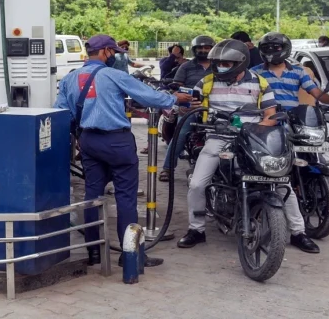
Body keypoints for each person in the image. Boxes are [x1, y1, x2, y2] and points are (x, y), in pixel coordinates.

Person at [55, 34, 193, 268]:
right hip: (117, 142)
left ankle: (94, 253)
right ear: (105, 52)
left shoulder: (70, 78)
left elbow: (61, 112)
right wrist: (174, 98)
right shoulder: (114, 75)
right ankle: (131, 256)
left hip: (87, 141)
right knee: (126, 199)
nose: (115, 56)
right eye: (114, 52)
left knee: (92, 197)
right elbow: (148, 96)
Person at [177, 39, 279, 249]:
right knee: (197, 185)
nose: (219, 67)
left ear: (240, 63)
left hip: (252, 141)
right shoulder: (206, 82)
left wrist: (257, 129)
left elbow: (272, 115)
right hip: (217, 139)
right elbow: (186, 107)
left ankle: (297, 230)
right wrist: (187, 105)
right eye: (217, 62)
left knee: (280, 180)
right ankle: (196, 229)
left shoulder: (260, 83)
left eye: (226, 63)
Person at [253, 32, 329, 230]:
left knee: (316, 156)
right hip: (268, 122)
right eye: (268, 49)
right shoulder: (254, 73)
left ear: (285, 49)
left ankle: (326, 202)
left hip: (295, 122)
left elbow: (316, 93)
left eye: (276, 48)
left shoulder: (298, 72)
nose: (272, 52)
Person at [159, 35, 215, 182]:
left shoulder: (219, 66)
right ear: (194, 50)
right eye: (200, 48)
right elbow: (177, 88)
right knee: (180, 133)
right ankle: (167, 168)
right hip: (190, 108)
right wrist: (183, 106)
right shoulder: (186, 67)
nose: (203, 50)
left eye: (207, 48)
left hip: (214, 108)